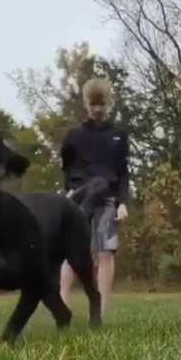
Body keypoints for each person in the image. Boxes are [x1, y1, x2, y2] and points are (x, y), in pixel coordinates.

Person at [59, 78, 129, 317]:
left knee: (106, 252)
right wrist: (67, 191)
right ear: (86, 103)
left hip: (107, 200)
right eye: (93, 104)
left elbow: (123, 172)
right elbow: (66, 169)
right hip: (77, 199)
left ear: (109, 103)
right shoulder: (73, 136)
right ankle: (63, 308)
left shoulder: (118, 136)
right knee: (70, 252)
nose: (98, 109)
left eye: (102, 103)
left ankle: (101, 311)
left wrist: (123, 203)